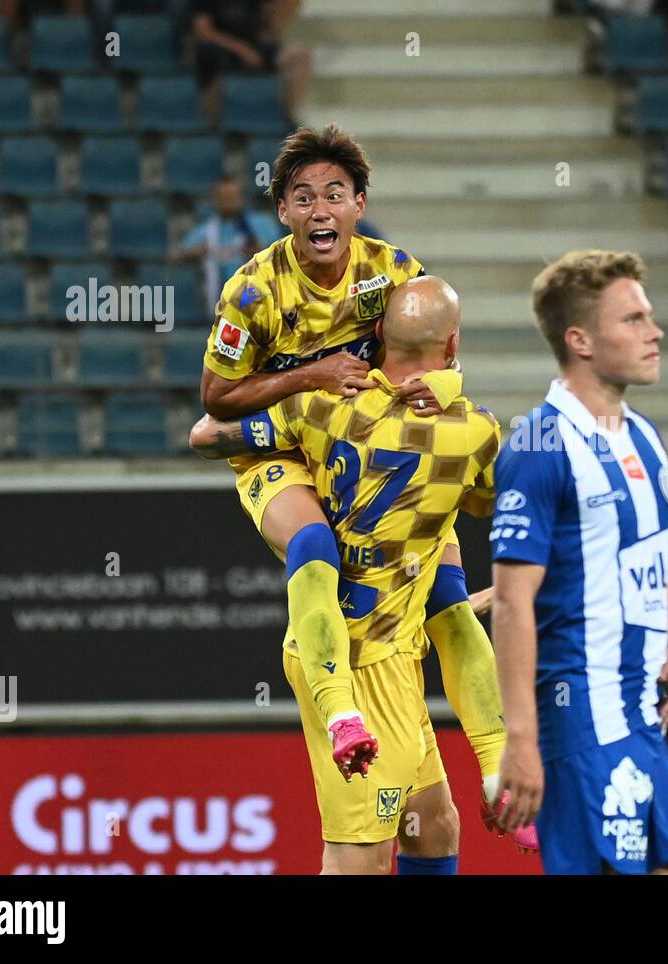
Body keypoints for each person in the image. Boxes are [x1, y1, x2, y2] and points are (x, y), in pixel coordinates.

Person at [198, 125, 524, 842]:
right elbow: (216, 399)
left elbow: (426, 344)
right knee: (314, 542)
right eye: (303, 196)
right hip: (278, 449)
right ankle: (340, 703)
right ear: (283, 211)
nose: (320, 209)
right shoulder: (252, 288)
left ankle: (499, 763)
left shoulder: (392, 269)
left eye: (334, 195)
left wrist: (441, 391)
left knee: (444, 588)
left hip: (359, 438)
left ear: (358, 204)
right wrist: (311, 375)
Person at [490, 250, 668, 875]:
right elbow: (510, 600)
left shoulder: (646, 437)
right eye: (633, 319)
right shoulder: (539, 442)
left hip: (640, 711)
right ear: (579, 339)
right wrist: (521, 741)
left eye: (649, 316)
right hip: (578, 713)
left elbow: (646, 547)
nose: (654, 332)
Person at [172, 175, 283, 307]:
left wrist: (260, 251)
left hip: (257, 300)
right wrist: (194, 253)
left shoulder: (261, 224)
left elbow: (282, 255)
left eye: (232, 195)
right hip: (216, 302)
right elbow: (175, 256)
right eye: (223, 196)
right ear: (214, 199)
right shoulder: (207, 229)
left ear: (241, 197)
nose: (227, 200)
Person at [191, 0, 311, 116]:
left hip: (256, 48)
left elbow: (273, 24)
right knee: (208, 56)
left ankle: (286, 116)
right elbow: (203, 31)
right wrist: (241, 49)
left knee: (299, 55)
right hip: (221, 49)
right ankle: (212, 121)